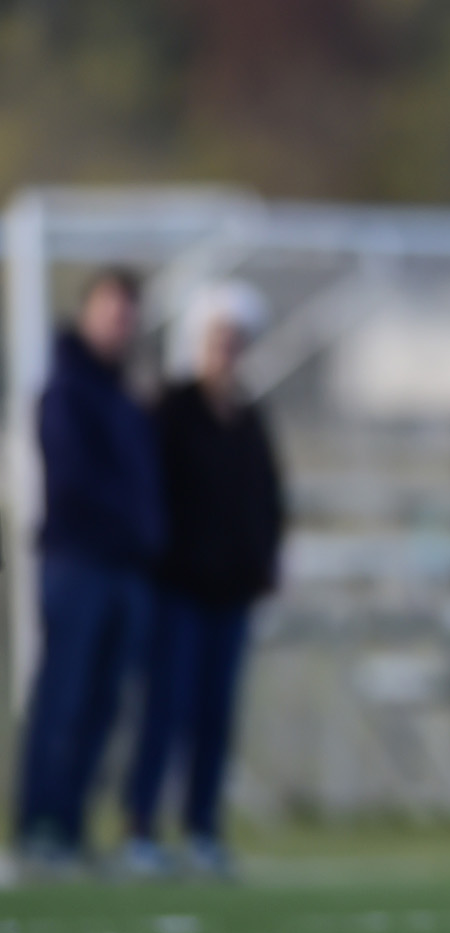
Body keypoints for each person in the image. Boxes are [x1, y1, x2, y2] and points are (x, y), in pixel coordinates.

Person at [120, 280, 285, 878]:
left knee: (215, 716)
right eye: (218, 340)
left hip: (232, 592)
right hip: (179, 589)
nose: (227, 352)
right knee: (166, 710)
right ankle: (140, 827)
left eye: (235, 341)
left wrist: (265, 560)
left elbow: (266, 497)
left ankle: (201, 829)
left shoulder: (247, 418)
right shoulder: (172, 409)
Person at [12, 268, 164, 875]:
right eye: (110, 312)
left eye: (128, 315)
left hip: (126, 571)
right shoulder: (66, 390)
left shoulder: (126, 398)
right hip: (78, 564)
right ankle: (41, 823)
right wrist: (133, 525)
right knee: (63, 700)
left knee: (104, 706)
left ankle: (72, 825)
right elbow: (73, 482)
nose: (118, 325)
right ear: (88, 314)